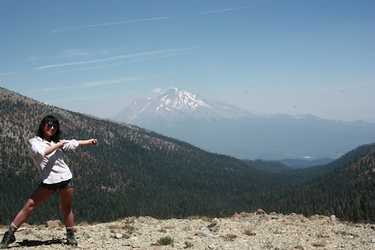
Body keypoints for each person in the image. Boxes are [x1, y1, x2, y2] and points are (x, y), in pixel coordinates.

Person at [0, 115, 98, 248]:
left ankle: (70, 235)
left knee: (67, 208)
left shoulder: (56, 142)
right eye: (49, 125)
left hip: (65, 177)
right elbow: (42, 152)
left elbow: (74, 143)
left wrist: (89, 141)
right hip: (49, 181)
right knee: (29, 206)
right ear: (43, 126)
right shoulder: (35, 142)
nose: (52, 128)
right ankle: (10, 234)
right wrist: (58, 145)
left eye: (55, 126)